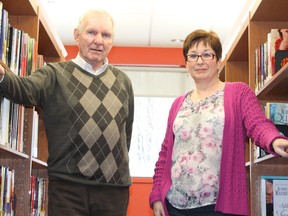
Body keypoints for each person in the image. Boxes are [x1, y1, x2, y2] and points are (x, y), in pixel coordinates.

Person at [0, 9, 134, 216]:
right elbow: (23, 89)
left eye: (106, 35)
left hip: (114, 190)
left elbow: (126, 135)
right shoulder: (55, 74)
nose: (99, 40)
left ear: (112, 41)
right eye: (91, 32)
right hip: (67, 188)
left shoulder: (123, 81)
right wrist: (2, 76)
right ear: (76, 35)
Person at [149, 29, 288, 216]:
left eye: (207, 54)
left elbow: (257, 123)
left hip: (218, 206)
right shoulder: (178, 104)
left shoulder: (238, 92)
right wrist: (157, 195)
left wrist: (274, 139)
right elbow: (166, 153)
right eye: (193, 56)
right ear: (186, 63)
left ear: (219, 62)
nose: (200, 61)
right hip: (175, 205)